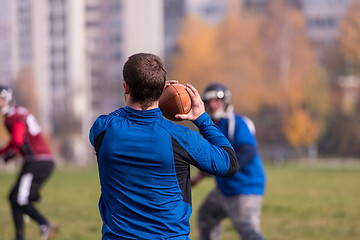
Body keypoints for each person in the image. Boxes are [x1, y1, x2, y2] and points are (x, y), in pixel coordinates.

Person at [89, 53, 239, 239]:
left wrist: (152, 95)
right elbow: (229, 162)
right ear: (161, 88)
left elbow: (124, 116)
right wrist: (202, 119)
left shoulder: (102, 130)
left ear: (126, 86)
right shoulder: (181, 137)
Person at [191, 83, 266, 240]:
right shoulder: (212, 126)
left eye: (216, 100)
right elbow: (217, 160)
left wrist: (225, 167)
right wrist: (198, 178)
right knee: (206, 216)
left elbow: (248, 151)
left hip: (244, 187)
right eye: (208, 101)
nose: (212, 104)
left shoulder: (236, 122)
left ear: (226, 101)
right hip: (224, 189)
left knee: (249, 232)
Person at [0, 86, 58, 240]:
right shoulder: (20, 112)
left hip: (36, 162)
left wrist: (3, 152)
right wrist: (10, 155)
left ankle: (45, 224)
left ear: (9, 99)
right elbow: (23, 142)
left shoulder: (12, 117)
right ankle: (20, 236)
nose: (0, 103)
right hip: (41, 161)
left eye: (2, 99)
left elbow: (18, 140)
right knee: (14, 197)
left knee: (20, 199)